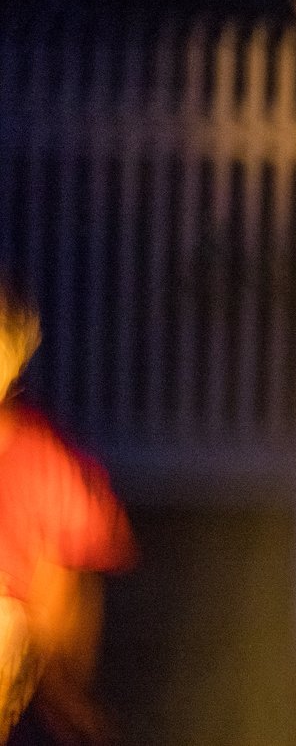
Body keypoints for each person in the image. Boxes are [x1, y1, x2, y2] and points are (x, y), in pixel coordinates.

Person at [0, 279, 136, 744]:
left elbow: (62, 578)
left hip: (28, 626)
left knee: (68, 716)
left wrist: (47, 649)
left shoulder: (38, 456)